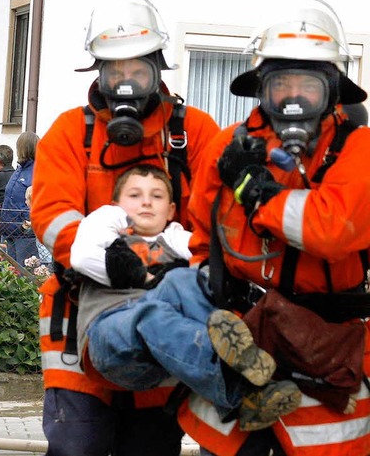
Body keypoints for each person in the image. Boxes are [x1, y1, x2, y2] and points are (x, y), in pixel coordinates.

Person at [171, 0, 370, 456]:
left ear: (334, 91)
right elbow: (202, 237)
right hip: (244, 337)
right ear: (262, 88)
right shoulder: (229, 146)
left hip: (326, 342)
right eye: (282, 85)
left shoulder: (359, 150)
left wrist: (259, 193)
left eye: (310, 86)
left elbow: (332, 228)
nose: (295, 100)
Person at [30, 0, 220, 456]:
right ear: (98, 74)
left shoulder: (194, 132)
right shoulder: (70, 132)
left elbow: (218, 225)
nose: (127, 83)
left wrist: (171, 270)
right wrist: (109, 261)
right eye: (116, 72)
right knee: (77, 446)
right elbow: (52, 216)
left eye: (139, 71)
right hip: (78, 321)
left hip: (164, 323)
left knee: (150, 447)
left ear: (159, 69)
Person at [72, 164, 300, 432]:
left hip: (163, 349)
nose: (146, 201)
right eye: (134, 195)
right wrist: (142, 276)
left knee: (186, 279)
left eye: (157, 196)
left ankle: (242, 367)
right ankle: (238, 386)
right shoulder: (106, 226)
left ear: (170, 209)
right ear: (115, 204)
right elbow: (81, 257)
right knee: (154, 313)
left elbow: (211, 265)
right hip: (111, 337)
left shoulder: (176, 237)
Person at [1, 132, 39, 266]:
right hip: (9, 230)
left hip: (24, 234)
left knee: (24, 275)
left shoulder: (36, 171)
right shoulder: (20, 170)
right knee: (8, 274)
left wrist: (26, 224)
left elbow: (35, 200)